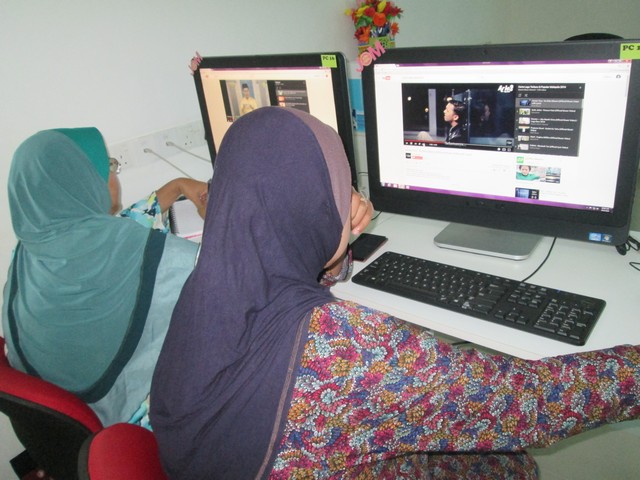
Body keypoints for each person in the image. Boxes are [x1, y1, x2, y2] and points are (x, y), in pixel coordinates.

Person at [150, 107, 640, 479]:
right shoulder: (344, 347)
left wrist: (332, 245)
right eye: (337, 188)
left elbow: (287, 273)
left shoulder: (210, 284)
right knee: (513, 463)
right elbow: (530, 404)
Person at [2, 127, 208, 426]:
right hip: (140, 421)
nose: (114, 173)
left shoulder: (28, 248)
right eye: (109, 166)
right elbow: (227, 275)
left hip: (77, 421)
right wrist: (224, 218)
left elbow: (111, 234)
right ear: (83, 180)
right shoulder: (139, 253)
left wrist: (177, 186)